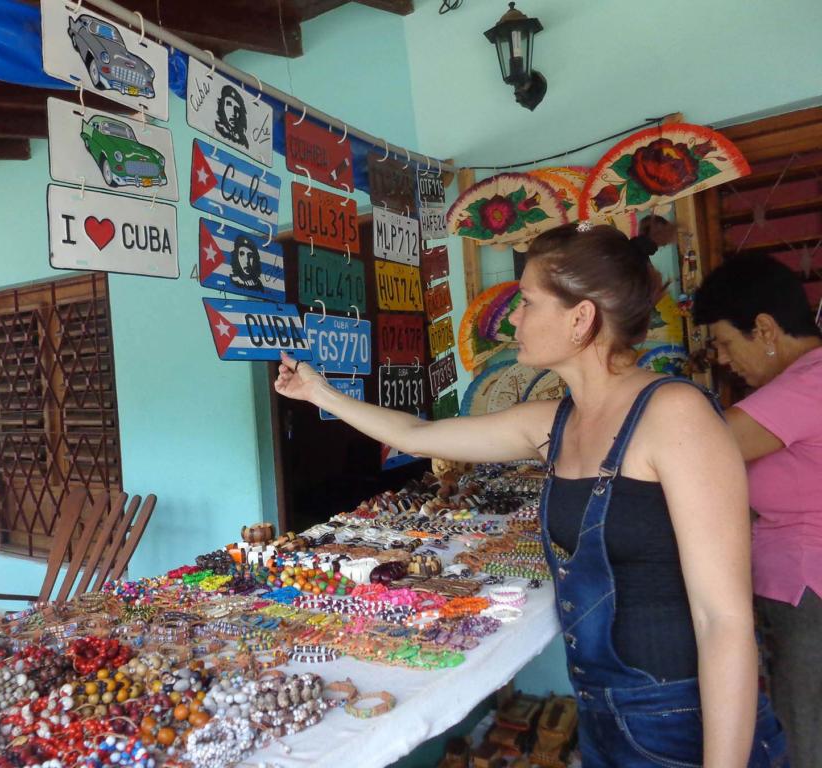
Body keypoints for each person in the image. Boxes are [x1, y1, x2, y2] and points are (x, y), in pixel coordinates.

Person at [275, 222, 787, 767]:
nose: (512, 318)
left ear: (580, 318)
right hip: (600, 714)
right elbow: (417, 435)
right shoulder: (555, 423)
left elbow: (724, 620)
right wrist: (320, 392)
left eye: (526, 301)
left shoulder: (675, 416)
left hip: (682, 718)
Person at [694, 254, 822, 768]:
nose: (724, 359)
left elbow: (697, 448)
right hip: (795, 589)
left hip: (808, 593)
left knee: (805, 736)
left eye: (726, 341)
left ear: (764, 328)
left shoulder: (806, 384)